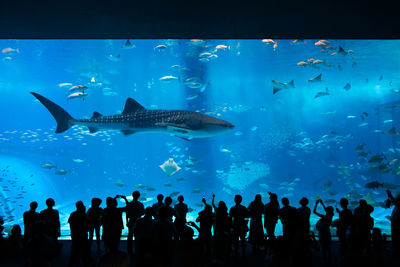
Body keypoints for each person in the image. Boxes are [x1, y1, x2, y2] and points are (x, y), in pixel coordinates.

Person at [68, 201, 91, 266]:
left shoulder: (72, 214)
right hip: (82, 235)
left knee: (74, 249)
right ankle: (85, 262)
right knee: (84, 249)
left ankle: (73, 262)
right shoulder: (84, 215)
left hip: (75, 234)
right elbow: (88, 223)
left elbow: (70, 222)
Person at [121, 191, 144, 255]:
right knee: (138, 235)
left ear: (132, 195)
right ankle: (138, 249)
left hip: (131, 221)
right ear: (139, 196)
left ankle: (129, 250)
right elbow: (142, 213)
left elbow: (127, 213)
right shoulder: (140, 204)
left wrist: (127, 221)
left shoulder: (130, 203)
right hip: (138, 221)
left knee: (130, 235)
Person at [195, 197, 215, 264]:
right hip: (209, 232)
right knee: (209, 247)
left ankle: (200, 260)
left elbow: (197, 220)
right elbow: (209, 210)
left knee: (201, 246)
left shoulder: (202, 215)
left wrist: (202, 212)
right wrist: (205, 203)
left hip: (202, 232)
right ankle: (208, 260)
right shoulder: (212, 215)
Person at [313, 199, 334, 263]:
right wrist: (322, 204)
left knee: (323, 246)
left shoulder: (324, 216)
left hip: (322, 232)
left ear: (327, 211)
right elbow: (327, 210)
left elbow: (314, 211)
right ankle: (330, 257)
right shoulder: (330, 216)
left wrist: (316, 204)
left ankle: (325, 258)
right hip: (327, 232)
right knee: (328, 245)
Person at [387, 190, 400, 254]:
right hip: (394, 222)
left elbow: (396, 203)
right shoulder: (396, 207)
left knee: (396, 235)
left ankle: (396, 249)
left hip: (397, 223)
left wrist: (390, 196)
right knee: (394, 235)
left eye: (397, 198)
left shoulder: (398, 206)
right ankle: (395, 248)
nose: (396, 199)